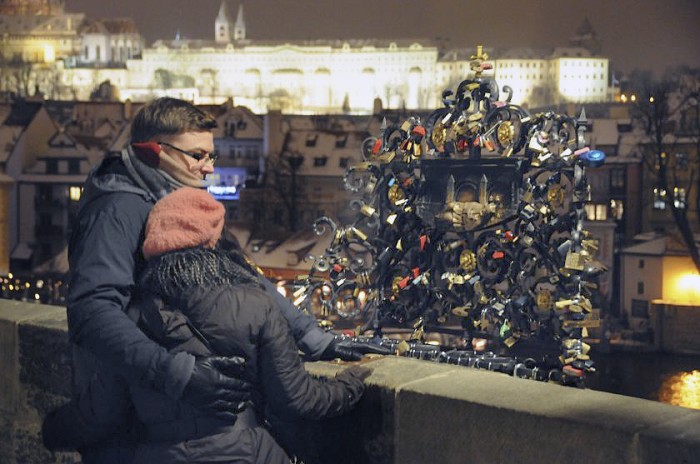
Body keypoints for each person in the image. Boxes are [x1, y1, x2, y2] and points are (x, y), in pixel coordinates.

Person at [64, 97, 386, 462]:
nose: (208, 168)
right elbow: (92, 312)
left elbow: (242, 275)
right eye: (197, 156)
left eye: (211, 157)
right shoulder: (117, 209)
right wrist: (175, 373)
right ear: (153, 151)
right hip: (133, 421)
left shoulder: (181, 204)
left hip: (171, 414)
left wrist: (312, 337)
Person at [46, 187, 372, 463]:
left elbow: (100, 413)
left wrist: (49, 428)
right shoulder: (254, 304)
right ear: (212, 240)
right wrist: (350, 385)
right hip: (245, 452)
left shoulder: (132, 317)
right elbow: (297, 400)